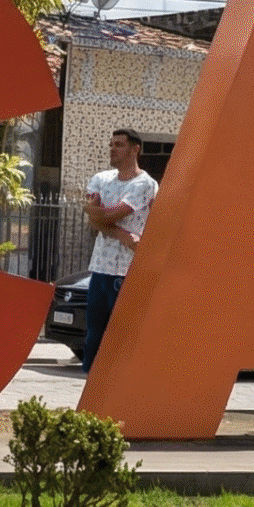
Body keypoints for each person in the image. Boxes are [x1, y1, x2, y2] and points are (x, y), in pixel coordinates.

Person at [79, 127, 158, 371]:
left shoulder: (145, 184)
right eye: (111, 144)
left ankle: (118, 382)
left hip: (128, 270)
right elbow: (93, 220)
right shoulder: (100, 179)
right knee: (94, 332)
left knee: (122, 333)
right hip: (101, 267)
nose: (112, 149)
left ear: (135, 149)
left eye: (119, 145)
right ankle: (89, 382)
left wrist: (98, 215)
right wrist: (123, 234)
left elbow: (113, 213)